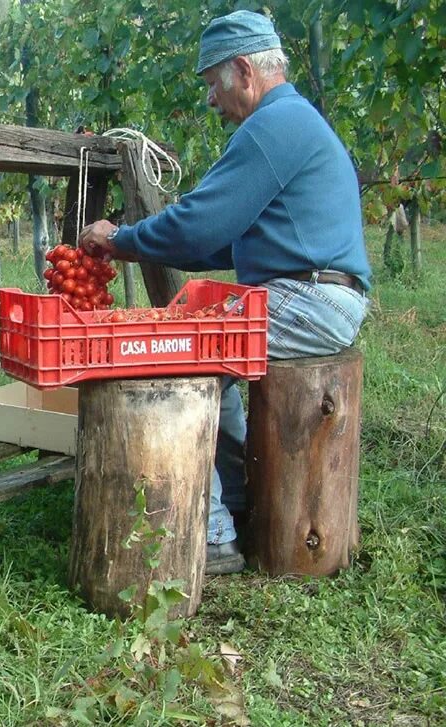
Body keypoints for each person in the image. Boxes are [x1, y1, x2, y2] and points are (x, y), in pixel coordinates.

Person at [78, 10, 372, 575]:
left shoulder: (273, 125)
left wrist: (119, 238)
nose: (212, 99)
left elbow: (202, 225)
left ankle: (211, 535)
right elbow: (219, 246)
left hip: (311, 300)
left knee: (182, 357)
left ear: (244, 70)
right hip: (317, 294)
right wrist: (141, 243)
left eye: (214, 83)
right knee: (216, 363)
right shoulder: (291, 121)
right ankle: (235, 506)